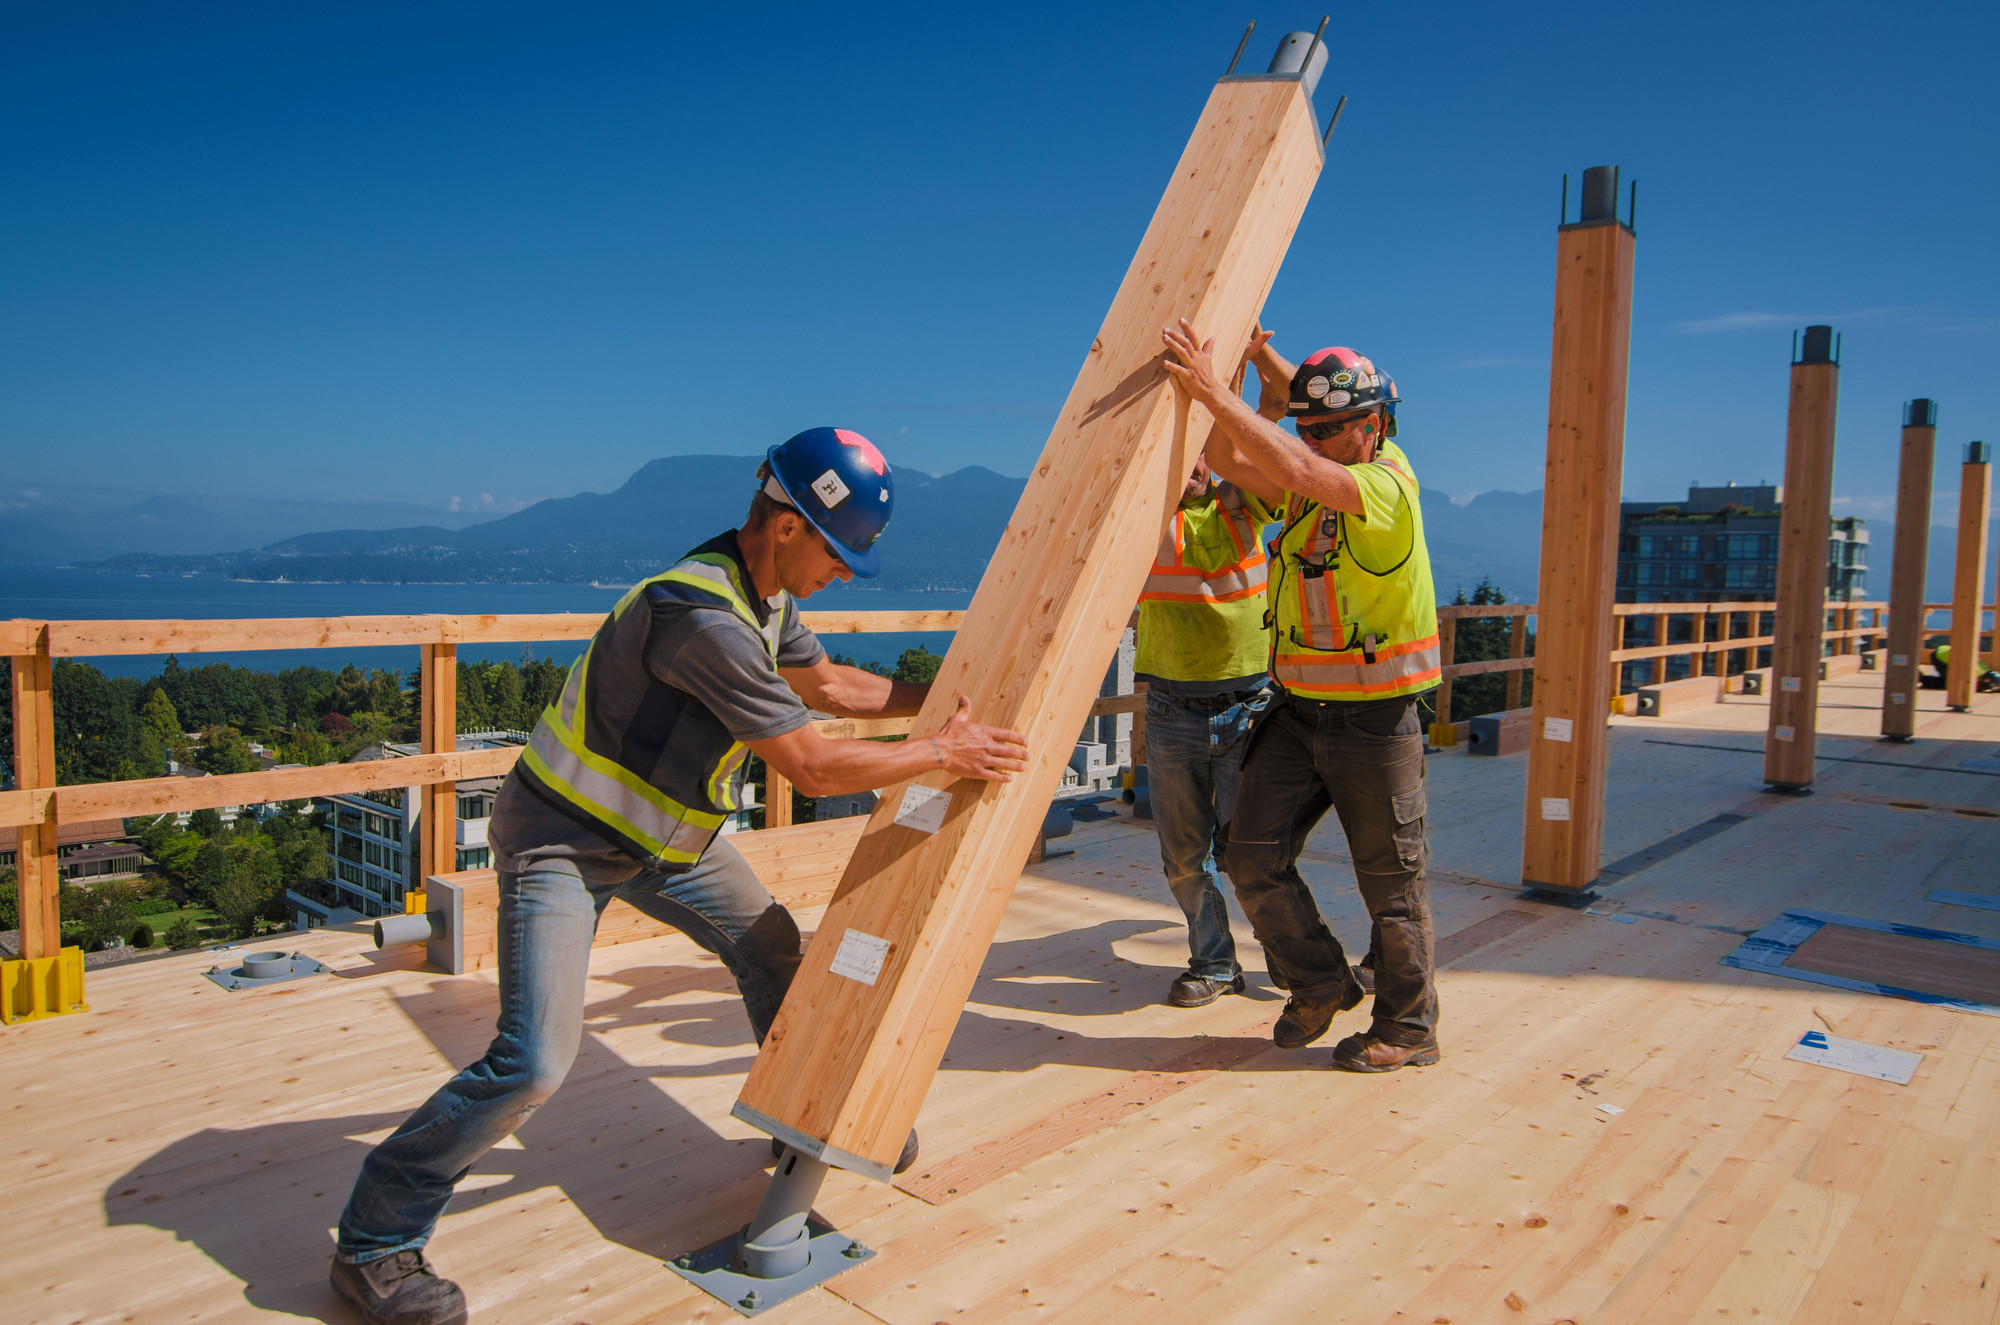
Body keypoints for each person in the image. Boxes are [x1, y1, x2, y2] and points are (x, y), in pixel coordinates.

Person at [329, 428, 1030, 1325]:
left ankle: (804, 1127)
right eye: (838, 551)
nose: (847, 573)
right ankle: (375, 1242)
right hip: (564, 841)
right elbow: (812, 766)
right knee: (535, 1062)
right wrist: (941, 748)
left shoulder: (761, 594)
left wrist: (933, 704)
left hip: (665, 841)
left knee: (773, 947)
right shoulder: (704, 618)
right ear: (785, 525)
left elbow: (830, 687)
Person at [1162, 319, 1443, 1074]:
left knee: (1391, 886)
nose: (1316, 442)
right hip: (1294, 710)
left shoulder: (1384, 488)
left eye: (1333, 430)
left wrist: (1223, 390)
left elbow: (1287, 458)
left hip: (1378, 721)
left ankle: (1410, 1027)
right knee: (1249, 856)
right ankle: (1321, 980)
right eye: (1311, 429)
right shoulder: (1307, 490)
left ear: (1375, 425)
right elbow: (1227, 453)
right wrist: (1258, 363)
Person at [1136, 433, 1273, 1008]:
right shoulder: (1139, 521)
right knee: (1185, 857)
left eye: (1199, 451)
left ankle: (1290, 952)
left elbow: (1260, 455)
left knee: (1258, 851)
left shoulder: (1242, 502)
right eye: (1180, 449)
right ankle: (1215, 963)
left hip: (1248, 705)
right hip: (1171, 709)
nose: (1192, 465)